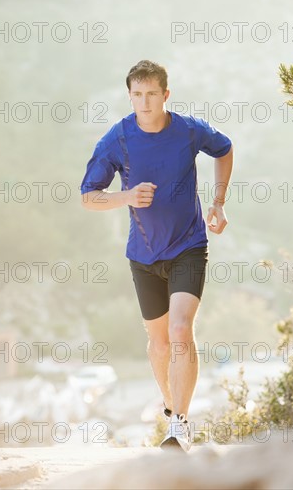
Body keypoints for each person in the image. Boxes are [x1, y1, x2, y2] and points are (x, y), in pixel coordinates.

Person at [80, 60, 233, 452]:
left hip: (189, 246)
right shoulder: (118, 139)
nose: (144, 103)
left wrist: (218, 203)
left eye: (151, 95)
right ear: (129, 96)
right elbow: (89, 197)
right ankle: (170, 406)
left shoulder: (188, 130)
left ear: (166, 95)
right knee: (159, 343)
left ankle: (179, 425)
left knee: (181, 330)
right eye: (137, 95)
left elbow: (224, 148)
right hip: (143, 253)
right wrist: (126, 197)